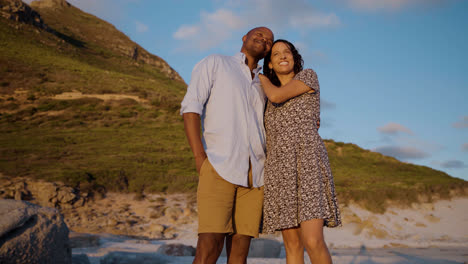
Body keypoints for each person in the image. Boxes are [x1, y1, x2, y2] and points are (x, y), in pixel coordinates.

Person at [180, 27, 274, 264]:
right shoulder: (216, 63)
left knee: (239, 254)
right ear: (244, 38)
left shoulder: (265, 84)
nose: (263, 39)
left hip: (256, 177)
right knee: (209, 247)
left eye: (269, 40)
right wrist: (200, 158)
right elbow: (191, 107)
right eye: (259, 34)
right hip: (219, 166)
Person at [259, 39, 341, 264]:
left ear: (294, 58)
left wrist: (261, 76)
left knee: (313, 241)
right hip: (280, 170)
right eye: (276, 54)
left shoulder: (308, 77)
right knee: (292, 246)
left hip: (307, 164)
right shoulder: (266, 99)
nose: (283, 56)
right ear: (271, 63)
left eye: (287, 52)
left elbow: (277, 96)